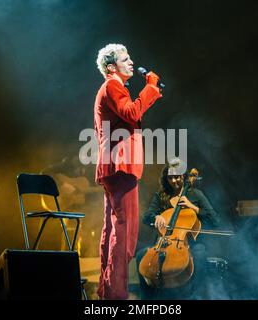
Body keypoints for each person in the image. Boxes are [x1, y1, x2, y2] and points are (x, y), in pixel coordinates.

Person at [94, 43, 162, 299]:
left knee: (112, 231)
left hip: (113, 167)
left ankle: (106, 291)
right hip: (120, 167)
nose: (132, 62)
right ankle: (115, 296)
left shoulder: (112, 87)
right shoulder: (112, 85)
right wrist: (151, 88)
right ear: (112, 67)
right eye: (126, 58)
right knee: (124, 236)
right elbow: (132, 113)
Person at [136, 159, 220, 299]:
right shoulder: (161, 196)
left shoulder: (195, 195)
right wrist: (156, 217)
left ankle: (197, 297)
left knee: (199, 254)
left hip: (189, 244)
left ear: (183, 176)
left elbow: (215, 219)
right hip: (163, 243)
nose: (174, 181)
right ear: (166, 178)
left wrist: (192, 207)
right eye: (170, 177)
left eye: (177, 177)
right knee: (140, 256)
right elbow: (147, 216)